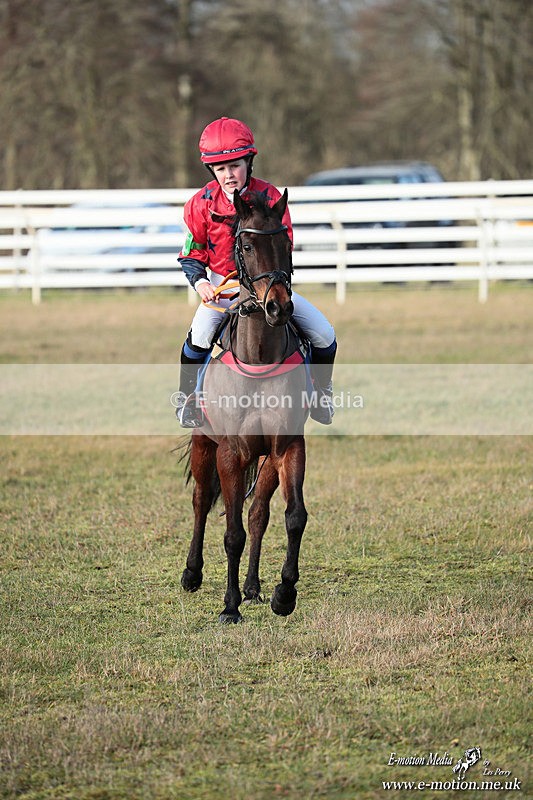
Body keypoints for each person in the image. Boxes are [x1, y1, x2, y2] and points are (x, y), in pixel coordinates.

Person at [175, 116, 337, 428]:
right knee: (198, 338)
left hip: (267, 288)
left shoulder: (272, 198)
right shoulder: (199, 204)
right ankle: (187, 401)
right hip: (221, 289)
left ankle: (321, 394)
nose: (228, 174)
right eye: (220, 169)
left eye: (234, 165)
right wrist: (200, 284)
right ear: (211, 170)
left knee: (324, 335)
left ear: (249, 162)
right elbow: (191, 254)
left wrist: (275, 285)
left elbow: (284, 247)